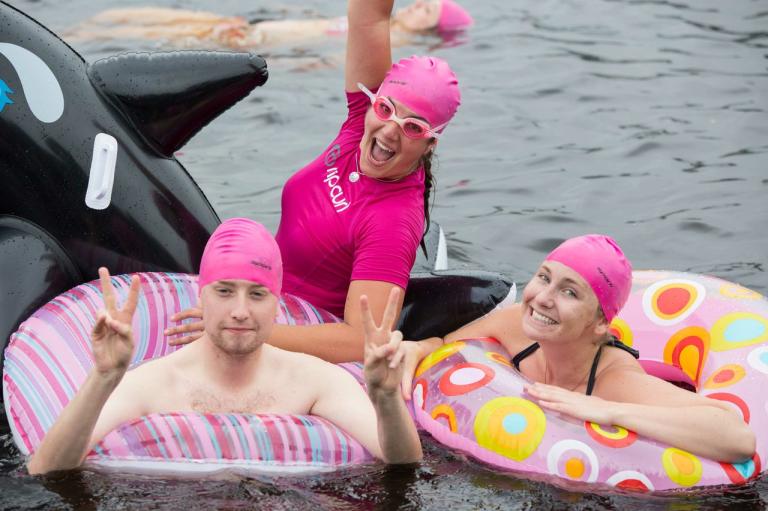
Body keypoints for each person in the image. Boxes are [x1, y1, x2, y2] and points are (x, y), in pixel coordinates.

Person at [165, 0, 463, 364]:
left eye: (413, 127)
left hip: (289, 338)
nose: (389, 130)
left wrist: (253, 330)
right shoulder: (360, 122)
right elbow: (369, 14)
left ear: (430, 143)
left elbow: (361, 341)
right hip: (258, 298)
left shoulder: (393, 221)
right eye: (386, 109)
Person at [26, 218, 421, 475]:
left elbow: (402, 460)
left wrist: (386, 397)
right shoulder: (154, 383)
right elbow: (45, 468)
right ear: (201, 296)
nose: (240, 311)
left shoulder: (314, 380)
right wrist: (103, 376)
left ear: (278, 304)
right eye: (225, 291)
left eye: (257, 295)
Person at [399, 235, 756, 463]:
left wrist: (609, 410)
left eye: (569, 292)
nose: (543, 298)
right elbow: (448, 344)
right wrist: (418, 348)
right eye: (544, 277)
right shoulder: (515, 326)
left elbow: (737, 437)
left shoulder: (615, 381)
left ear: (600, 322)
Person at [64, 0, 473, 50]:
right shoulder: (377, 20)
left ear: (433, 33)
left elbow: (335, 60)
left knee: (143, 33)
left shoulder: (387, 40)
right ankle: (78, 33)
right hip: (248, 26)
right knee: (128, 15)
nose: (415, 7)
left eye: (426, 12)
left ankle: (67, 41)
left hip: (247, 39)